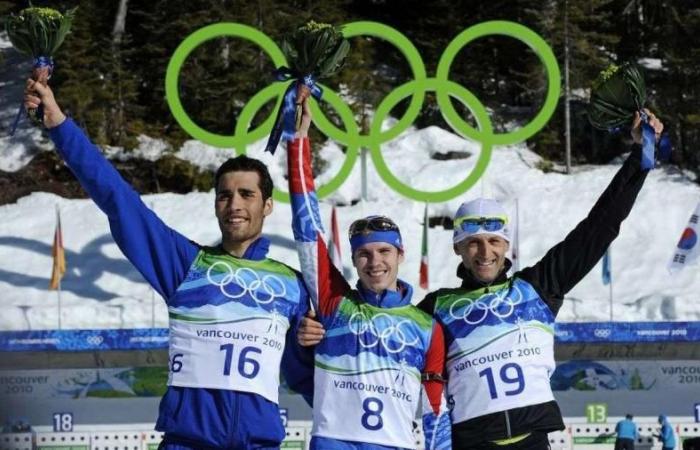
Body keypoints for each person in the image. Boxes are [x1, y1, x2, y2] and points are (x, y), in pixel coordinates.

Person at [298, 109, 665, 449]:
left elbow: (599, 228)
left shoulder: (538, 287)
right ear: (458, 249)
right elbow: (378, 333)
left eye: (493, 241)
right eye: (472, 242)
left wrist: (638, 161)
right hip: (470, 441)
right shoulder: (435, 309)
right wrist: (321, 328)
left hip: (534, 438)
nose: (484, 252)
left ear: (506, 246)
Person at [24, 80, 313, 450]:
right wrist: (59, 125)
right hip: (186, 442)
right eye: (225, 195)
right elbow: (118, 198)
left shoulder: (291, 285)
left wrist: (311, 342)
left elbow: (320, 372)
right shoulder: (186, 265)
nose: (235, 204)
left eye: (247, 194)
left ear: (267, 205)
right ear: (215, 204)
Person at [285, 97, 451, 449]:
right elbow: (307, 228)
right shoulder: (334, 302)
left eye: (384, 252)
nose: (375, 262)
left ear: (401, 255)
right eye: (364, 254)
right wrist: (298, 141)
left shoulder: (426, 328)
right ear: (355, 260)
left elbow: (435, 409)